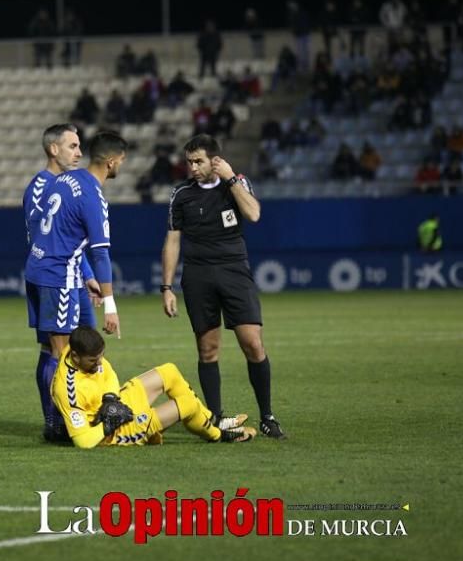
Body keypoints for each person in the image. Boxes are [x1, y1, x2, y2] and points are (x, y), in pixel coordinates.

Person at [160, 134, 287, 440]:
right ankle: (216, 418)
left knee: (253, 343)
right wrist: (166, 286)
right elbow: (173, 240)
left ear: (215, 161)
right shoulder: (181, 194)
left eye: (198, 161)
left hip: (234, 271)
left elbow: (254, 214)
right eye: (189, 161)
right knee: (208, 349)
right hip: (198, 275)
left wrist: (231, 179)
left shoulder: (236, 183)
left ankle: (267, 416)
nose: (192, 167)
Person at [23, 124, 102, 441]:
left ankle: (83, 413)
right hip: (52, 277)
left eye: (80, 145)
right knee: (55, 349)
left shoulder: (66, 185)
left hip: (71, 275)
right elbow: (43, 241)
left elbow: (69, 239)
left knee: (87, 344)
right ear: (53, 149)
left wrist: (87, 274)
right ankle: (55, 420)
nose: (79, 153)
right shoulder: (41, 188)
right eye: (72, 146)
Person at [25, 129, 129, 370]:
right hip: (59, 277)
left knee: (55, 348)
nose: (120, 167)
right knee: (62, 355)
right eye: (121, 162)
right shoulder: (92, 197)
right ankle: (60, 410)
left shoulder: (61, 180)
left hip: (37, 270)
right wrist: (111, 307)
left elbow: (50, 232)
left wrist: (86, 275)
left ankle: (56, 409)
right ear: (111, 162)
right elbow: (101, 253)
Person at [51, 326, 255, 448]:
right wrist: (107, 425)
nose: (98, 364)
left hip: (116, 405)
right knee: (187, 404)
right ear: (76, 357)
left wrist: (111, 399)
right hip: (113, 432)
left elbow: (109, 373)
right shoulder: (67, 388)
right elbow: (82, 441)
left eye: (101, 357)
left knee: (169, 371)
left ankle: (210, 420)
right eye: (93, 361)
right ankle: (220, 435)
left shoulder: (79, 349)